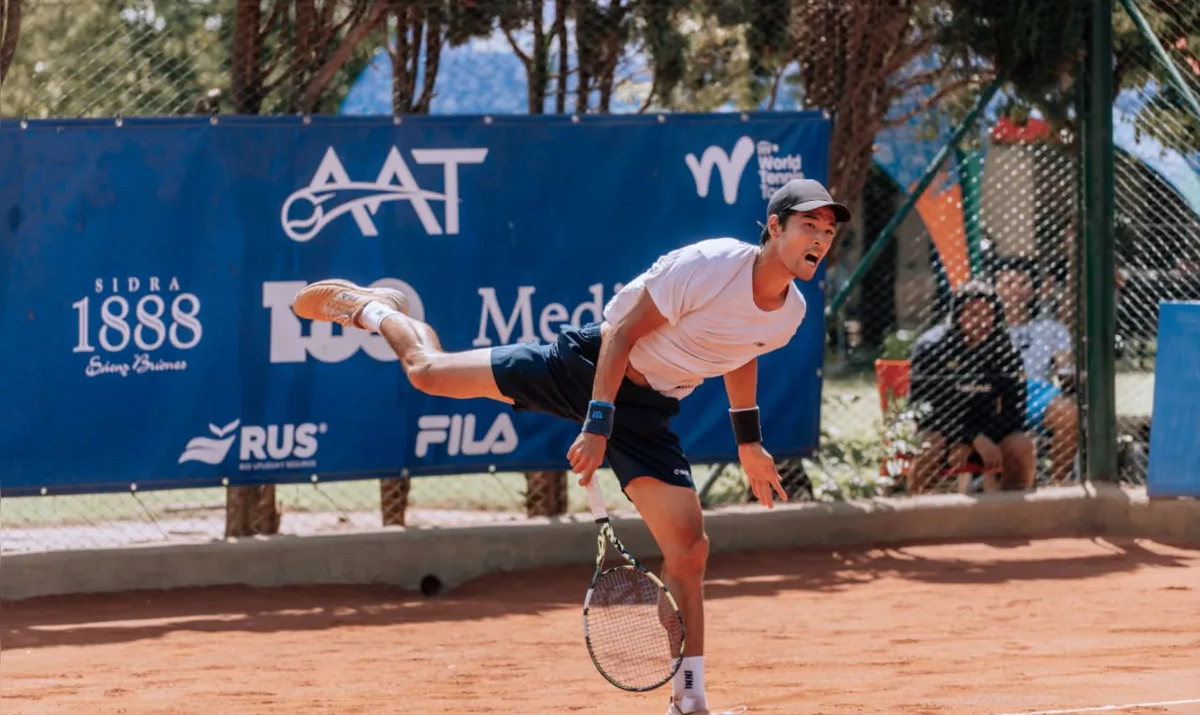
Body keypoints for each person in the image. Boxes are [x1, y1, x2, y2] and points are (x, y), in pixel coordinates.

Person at [290, 178, 850, 715]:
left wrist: (749, 444)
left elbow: (739, 348)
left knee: (689, 549)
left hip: (649, 411)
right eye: (810, 226)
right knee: (428, 373)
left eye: (828, 230)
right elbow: (623, 331)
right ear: (775, 228)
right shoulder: (714, 264)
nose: (821, 239)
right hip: (586, 366)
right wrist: (598, 421)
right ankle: (376, 309)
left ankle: (689, 700)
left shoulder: (791, 314)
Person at [906, 280, 1036, 495]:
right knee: (931, 445)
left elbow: (1015, 413)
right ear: (957, 315)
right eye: (973, 314)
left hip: (989, 434)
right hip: (940, 431)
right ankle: (918, 513)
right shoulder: (932, 347)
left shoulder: (1006, 351)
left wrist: (980, 439)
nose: (982, 322)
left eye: (988, 315)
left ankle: (1012, 515)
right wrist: (967, 437)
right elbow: (923, 408)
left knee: (1021, 445)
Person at [991, 255, 1078, 482]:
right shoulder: (984, 328)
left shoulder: (1051, 329)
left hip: (1037, 391)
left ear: (1033, 290)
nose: (1015, 291)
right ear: (995, 288)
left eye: (1023, 284)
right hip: (997, 390)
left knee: (1068, 413)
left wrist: (1068, 369)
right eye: (1008, 283)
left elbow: (1065, 371)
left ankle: (1058, 484)